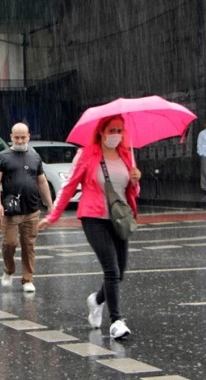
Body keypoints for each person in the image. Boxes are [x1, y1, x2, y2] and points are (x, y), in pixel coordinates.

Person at [38, 115, 141, 340]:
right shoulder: (87, 154)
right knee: (112, 269)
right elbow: (69, 186)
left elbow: (130, 192)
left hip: (119, 218)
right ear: (102, 132)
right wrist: (53, 215)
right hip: (94, 217)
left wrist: (135, 181)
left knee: (120, 271)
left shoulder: (126, 155)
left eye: (120, 131)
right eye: (112, 130)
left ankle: (96, 301)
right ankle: (117, 321)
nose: (116, 135)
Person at [0, 122, 53, 293]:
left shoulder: (35, 156)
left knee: (28, 245)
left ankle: (27, 279)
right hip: (10, 210)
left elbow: (42, 181)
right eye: (16, 137)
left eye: (23, 137)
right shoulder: (2, 157)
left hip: (32, 208)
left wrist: (50, 204)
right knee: (9, 243)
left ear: (28, 136)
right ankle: (9, 269)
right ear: (11, 137)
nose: (19, 141)